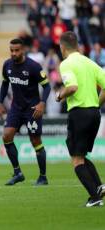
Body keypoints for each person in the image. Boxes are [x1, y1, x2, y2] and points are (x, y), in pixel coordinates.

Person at [55, 31, 105, 207]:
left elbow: (72, 87)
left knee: (76, 160)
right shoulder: (89, 62)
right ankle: (99, 188)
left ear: (63, 47)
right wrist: (96, 104)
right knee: (81, 155)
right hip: (94, 114)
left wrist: (59, 95)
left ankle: (95, 197)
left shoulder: (66, 64)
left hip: (79, 113)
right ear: (77, 45)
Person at [0, 38, 51, 186]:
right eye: (11, 50)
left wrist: (42, 103)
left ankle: (43, 177)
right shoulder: (7, 65)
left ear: (23, 50)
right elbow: (4, 83)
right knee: (6, 136)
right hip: (16, 108)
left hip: (32, 109)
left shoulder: (33, 67)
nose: (13, 53)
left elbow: (47, 87)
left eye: (17, 50)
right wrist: (1, 102)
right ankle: (18, 173)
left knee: (35, 141)